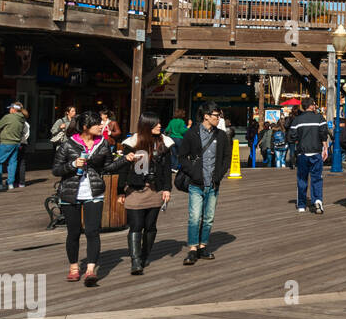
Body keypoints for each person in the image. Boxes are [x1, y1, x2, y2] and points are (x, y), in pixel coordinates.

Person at [52, 110, 123, 286]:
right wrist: (72, 164)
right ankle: (74, 267)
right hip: (70, 193)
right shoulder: (68, 145)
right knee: (74, 232)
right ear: (85, 127)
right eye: (97, 124)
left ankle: (90, 270)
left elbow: (108, 167)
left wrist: (125, 160)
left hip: (94, 192)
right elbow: (56, 170)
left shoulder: (103, 144)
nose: (101, 126)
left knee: (92, 232)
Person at [118, 112, 173, 275]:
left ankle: (144, 256)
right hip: (135, 190)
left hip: (155, 190)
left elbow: (167, 169)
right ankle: (135, 261)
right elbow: (124, 169)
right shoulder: (132, 143)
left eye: (159, 123)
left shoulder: (164, 143)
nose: (159, 126)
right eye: (155, 124)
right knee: (136, 226)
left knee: (150, 226)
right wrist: (120, 191)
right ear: (146, 125)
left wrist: (167, 189)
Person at [176, 103, 231, 266]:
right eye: (216, 115)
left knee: (208, 218)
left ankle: (203, 246)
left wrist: (220, 174)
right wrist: (193, 172)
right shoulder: (191, 134)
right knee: (194, 217)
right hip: (195, 183)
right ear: (206, 116)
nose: (218, 118)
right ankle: (192, 248)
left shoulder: (221, 135)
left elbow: (226, 157)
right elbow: (182, 157)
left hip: (213, 183)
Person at [288, 98, 330, 214]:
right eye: (314, 104)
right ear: (311, 106)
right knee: (317, 178)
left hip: (302, 153)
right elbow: (323, 133)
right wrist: (325, 147)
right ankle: (317, 200)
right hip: (316, 153)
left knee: (302, 179)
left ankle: (301, 205)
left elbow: (291, 136)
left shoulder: (297, 120)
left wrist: (299, 141)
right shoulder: (319, 118)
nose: (315, 106)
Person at [0, 101, 25, 191]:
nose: (9, 110)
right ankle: (10, 183)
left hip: (6, 142)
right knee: (12, 163)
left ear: (13, 109)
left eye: (10, 108)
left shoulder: (8, 117)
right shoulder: (22, 119)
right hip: (16, 143)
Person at [13, 105, 31, 188]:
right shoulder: (27, 124)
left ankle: (15, 181)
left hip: (18, 143)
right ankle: (22, 182)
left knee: (14, 162)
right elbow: (27, 135)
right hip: (24, 143)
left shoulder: (20, 123)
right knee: (22, 163)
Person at [165, 108, 188, 173]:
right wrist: (188, 127)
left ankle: (173, 167)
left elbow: (167, 130)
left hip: (172, 139)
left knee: (174, 154)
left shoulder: (171, 121)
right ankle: (178, 167)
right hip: (179, 139)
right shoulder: (181, 121)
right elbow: (182, 131)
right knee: (181, 154)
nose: (184, 115)